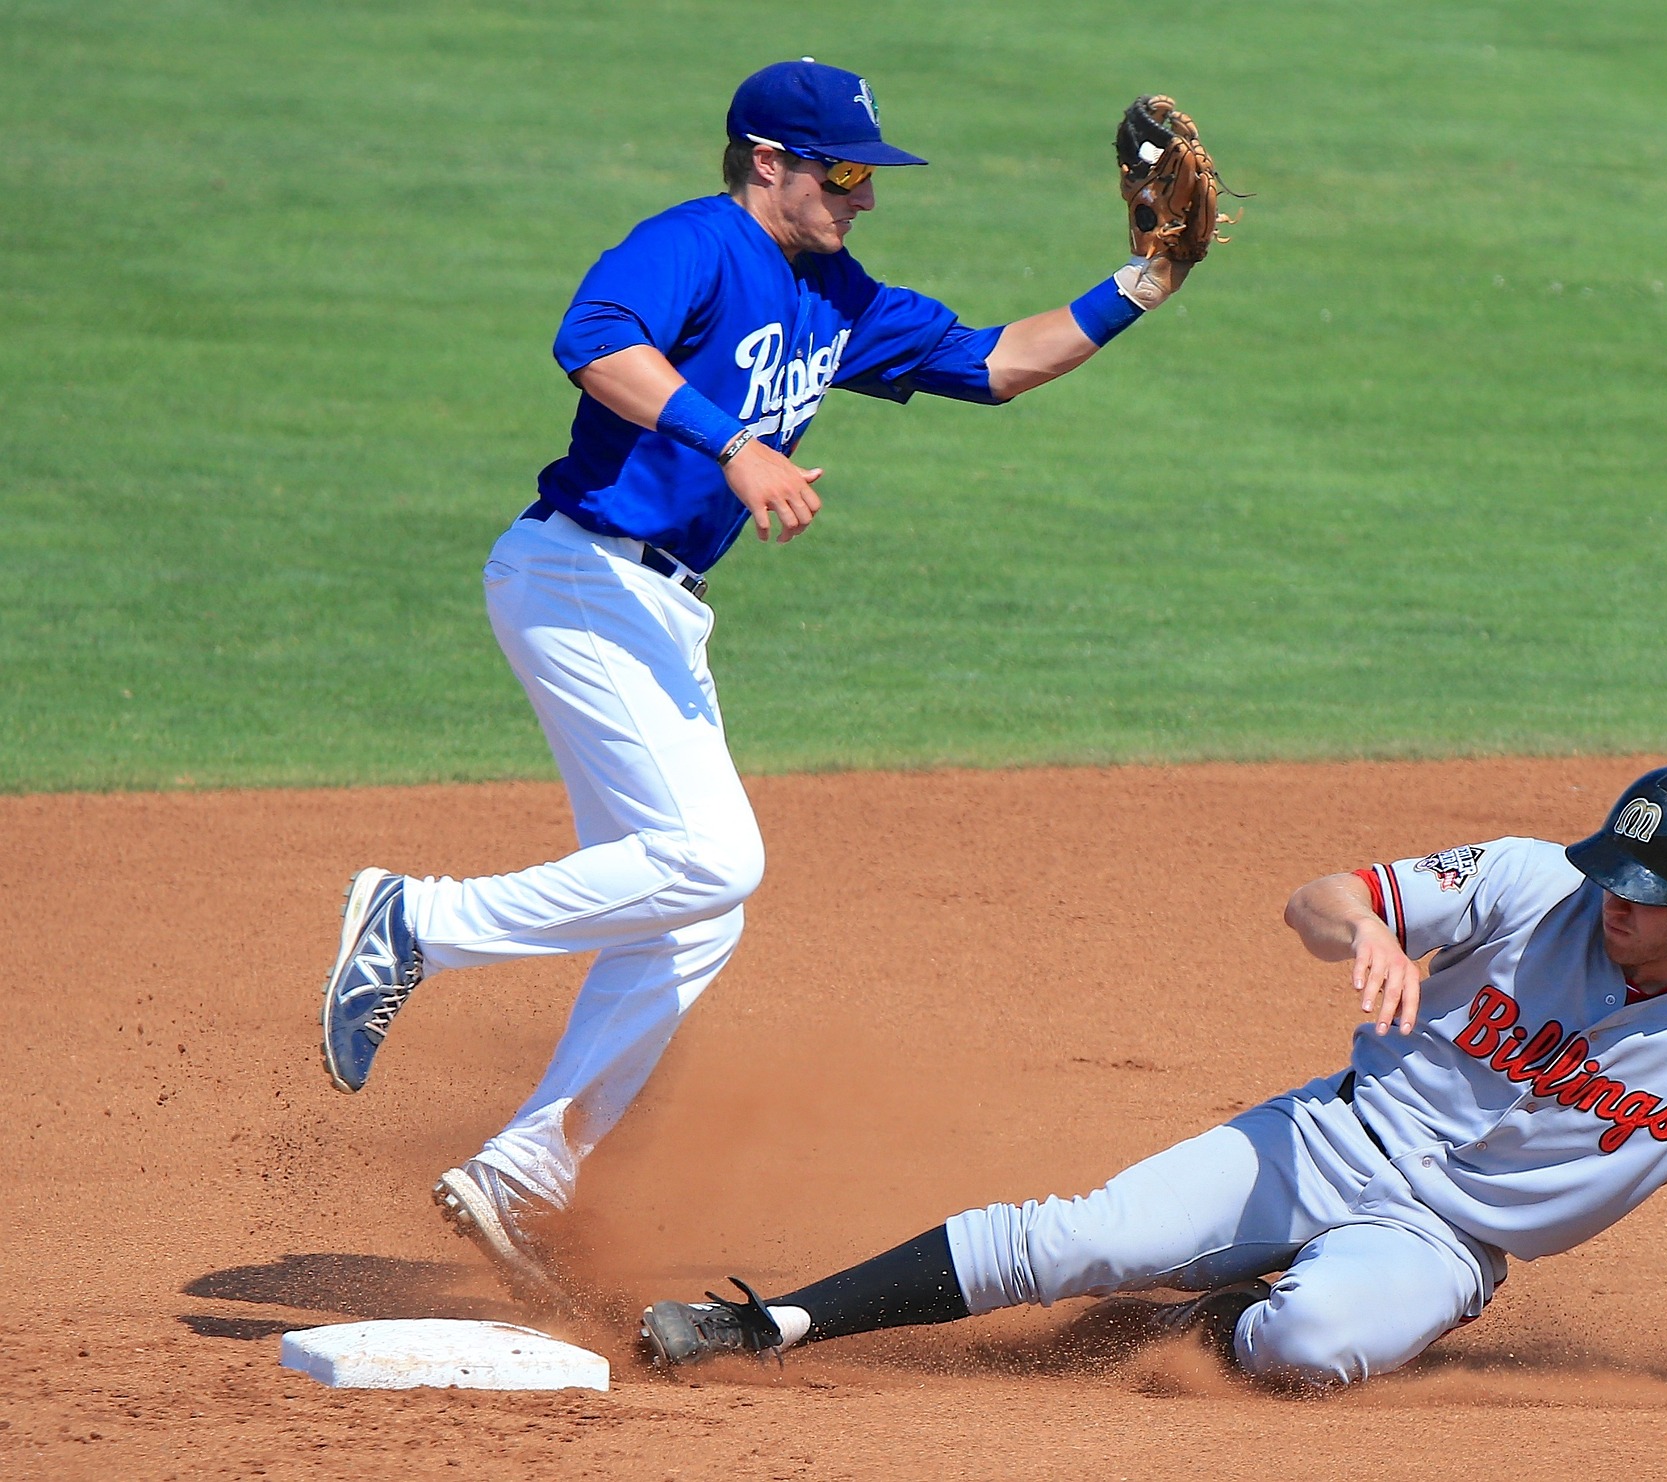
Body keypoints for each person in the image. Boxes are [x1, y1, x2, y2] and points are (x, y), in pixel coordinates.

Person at [316, 59, 1205, 1305]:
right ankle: (414, 921)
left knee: (698, 911)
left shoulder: (836, 294)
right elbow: (591, 341)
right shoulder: (694, 243)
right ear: (768, 162)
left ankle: (520, 1173)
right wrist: (733, 444)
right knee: (717, 860)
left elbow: (999, 363)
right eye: (843, 174)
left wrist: (1144, 284)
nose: (864, 197)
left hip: (657, 610)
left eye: (868, 175)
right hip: (580, 575)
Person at [637, 765, 1667, 1418]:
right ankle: (769, 1322)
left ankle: (1210, 1320)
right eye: (1610, 875)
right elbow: (1319, 895)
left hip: (1445, 1245)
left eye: (1642, 891)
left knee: (1310, 1346)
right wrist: (1364, 929)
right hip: (1327, 1139)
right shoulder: (1532, 882)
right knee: (1077, 1238)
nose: (1611, 900)